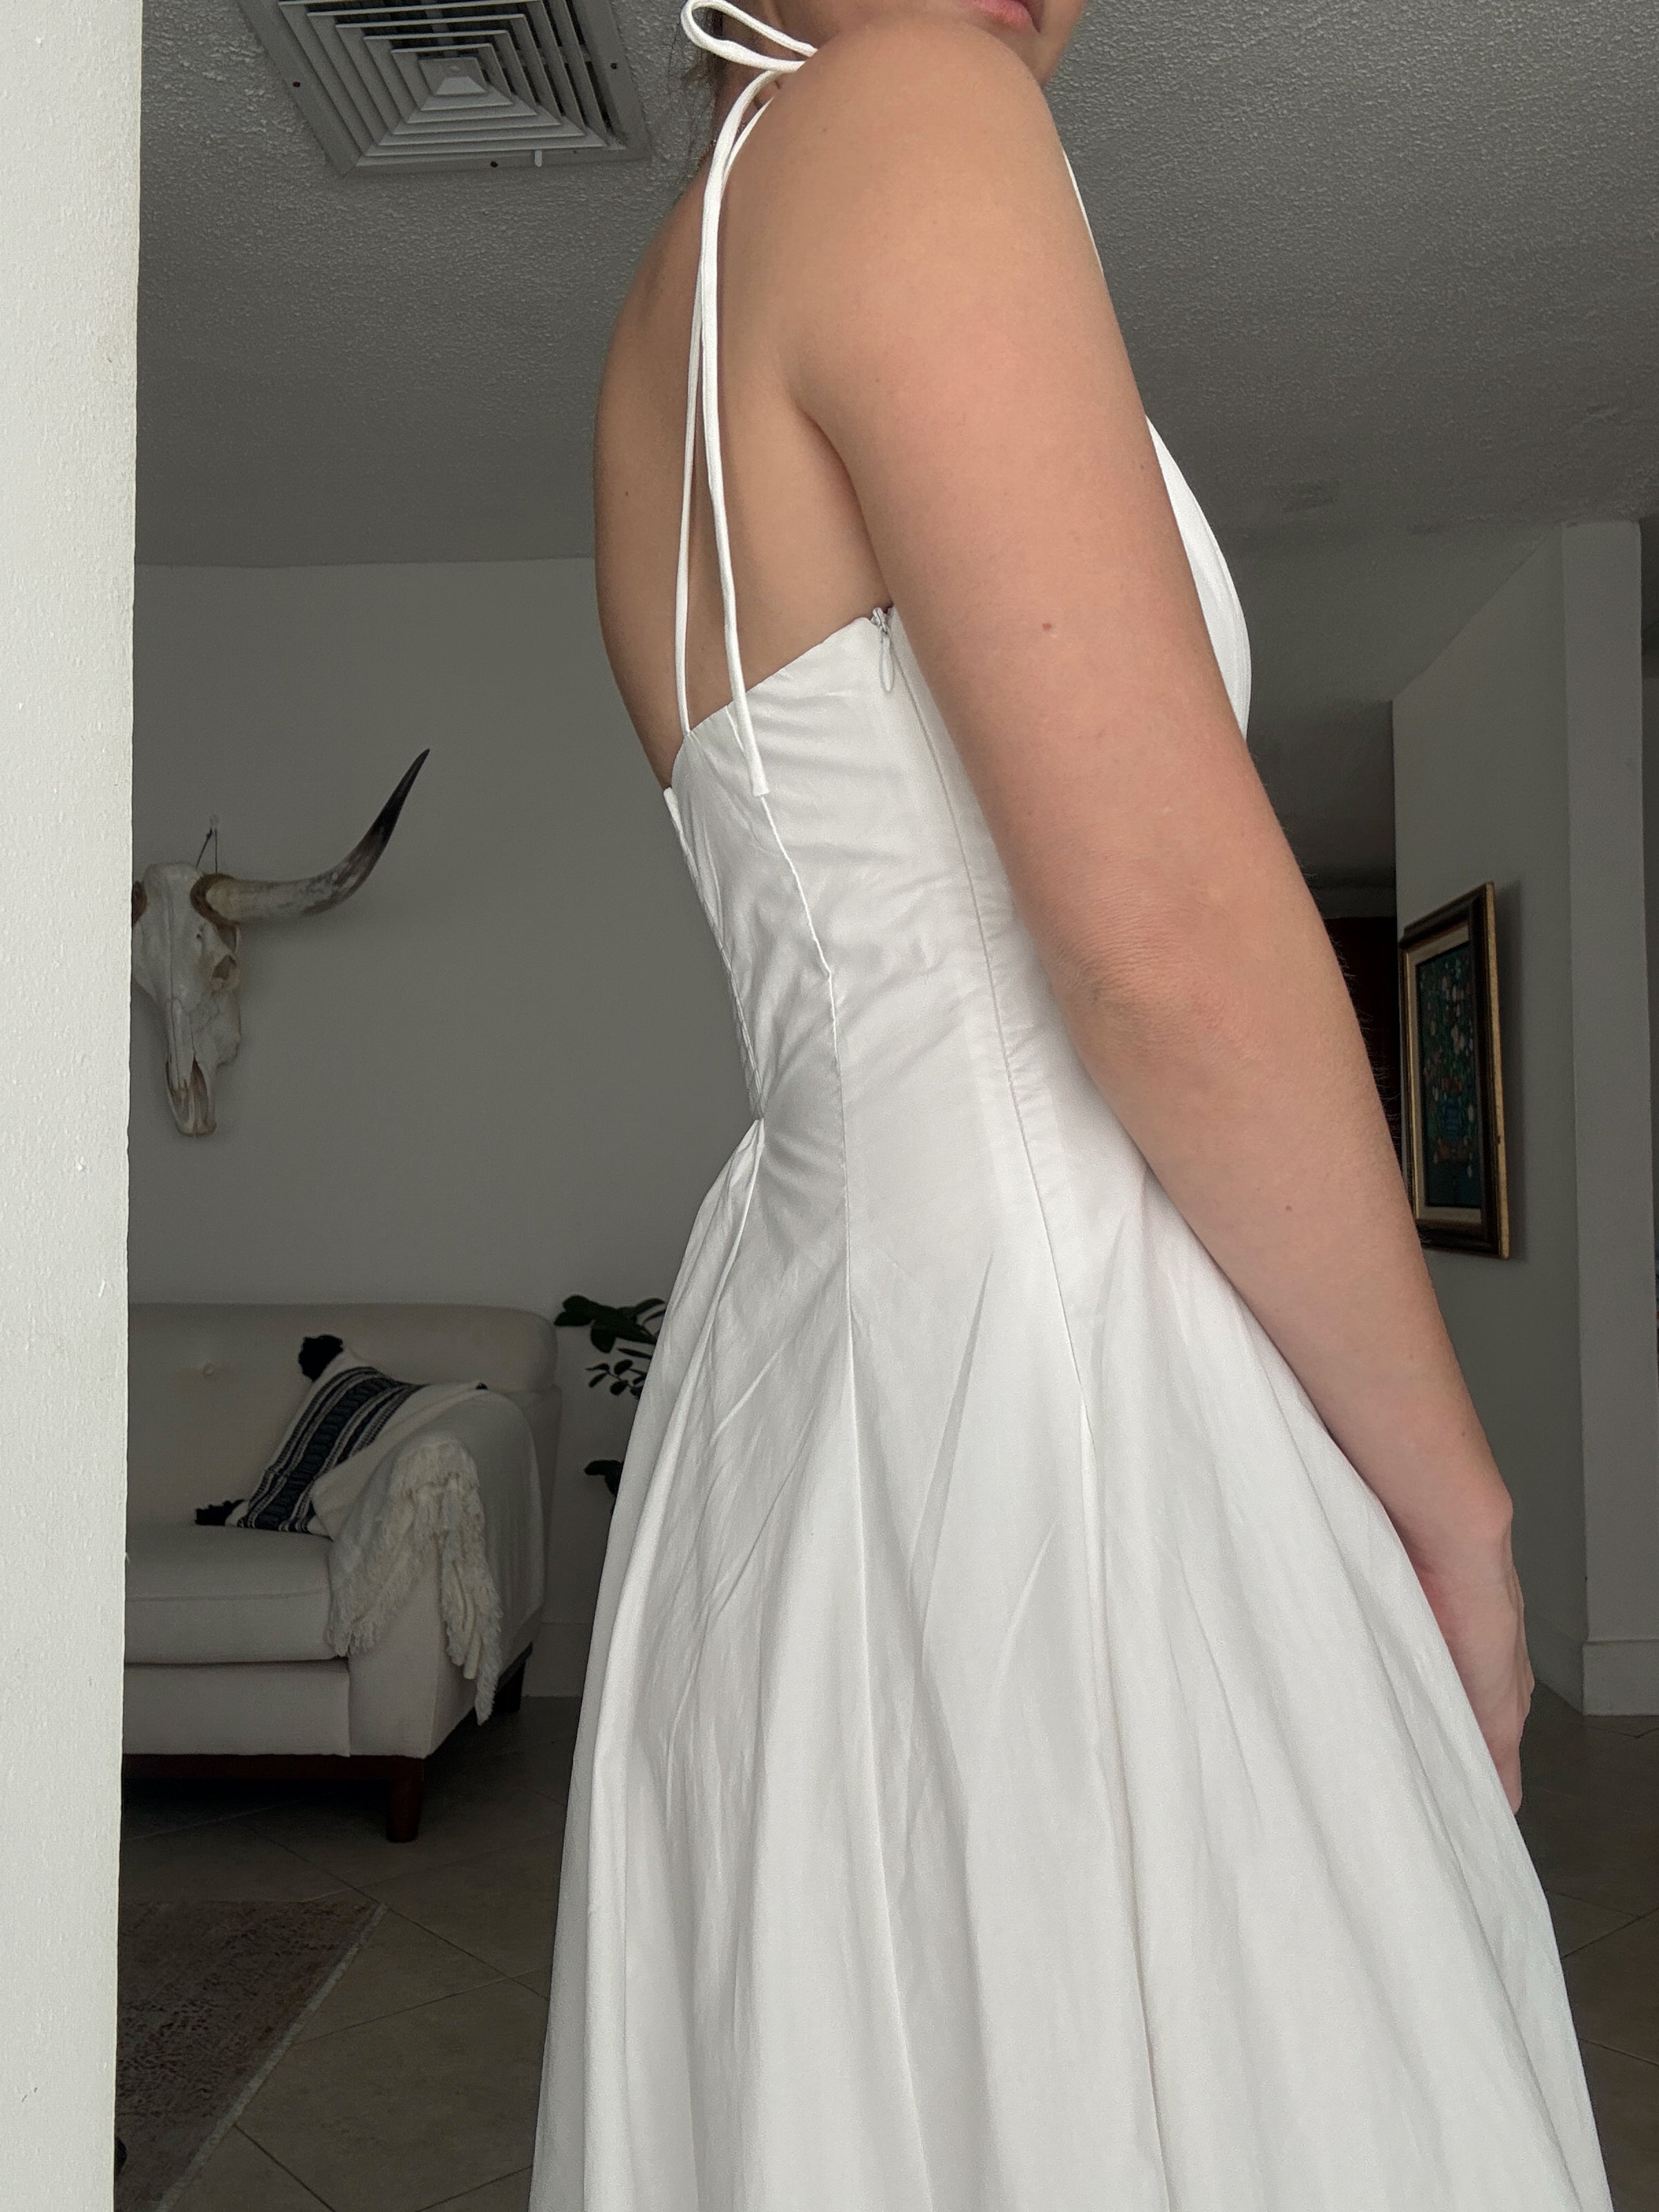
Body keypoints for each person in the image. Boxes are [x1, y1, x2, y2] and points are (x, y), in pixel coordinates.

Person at [532, 1, 1612, 2203]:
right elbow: (1165, 947)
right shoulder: (904, 105)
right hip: (1051, 1359)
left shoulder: (672, 310)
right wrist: (1463, 1518)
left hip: (818, 1362)